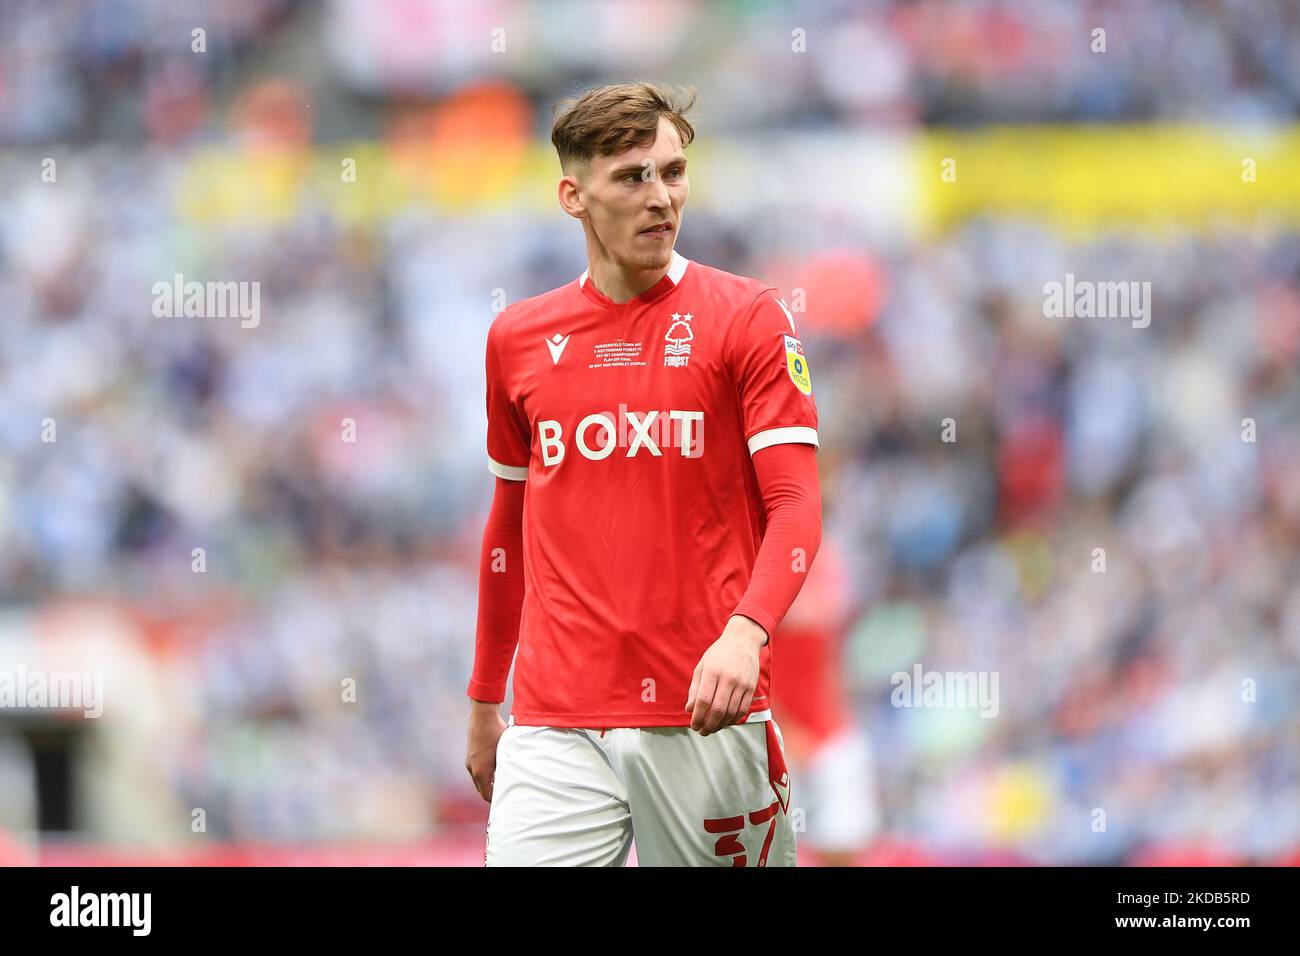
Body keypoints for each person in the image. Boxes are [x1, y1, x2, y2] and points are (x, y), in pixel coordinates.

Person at [464, 82, 821, 866]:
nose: (661, 197)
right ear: (573, 195)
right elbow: (507, 533)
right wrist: (487, 698)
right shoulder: (517, 339)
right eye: (633, 178)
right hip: (556, 720)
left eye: (674, 172)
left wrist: (745, 633)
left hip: (706, 709)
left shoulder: (748, 318)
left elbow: (795, 506)